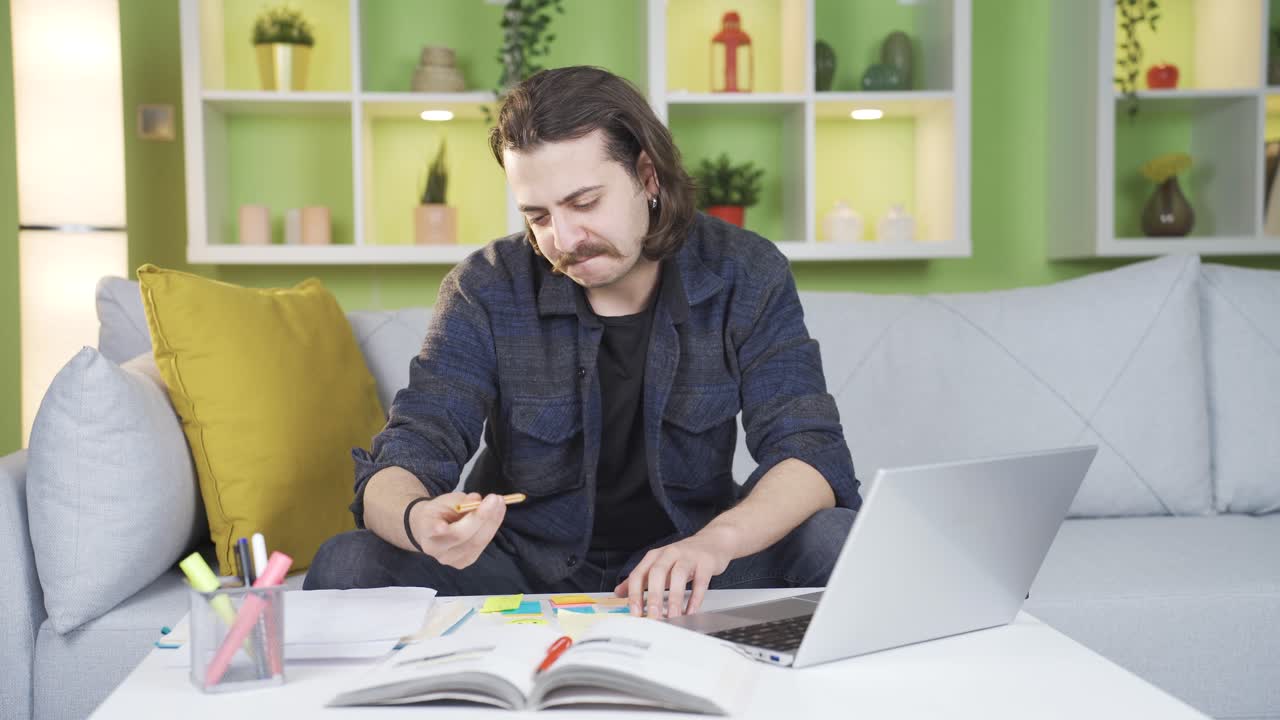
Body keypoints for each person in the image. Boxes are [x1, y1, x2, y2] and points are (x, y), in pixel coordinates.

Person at [305, 66, 861, 619]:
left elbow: (808, 450)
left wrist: (715, 543)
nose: (563, 239)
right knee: (348, 564)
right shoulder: (485, 287)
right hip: (518, 564)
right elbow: (411, 448)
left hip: (692, 562)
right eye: (538, 216)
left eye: (585, 203)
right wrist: (416, 521)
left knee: (838, 540)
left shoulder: (745, 270)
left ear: (648, 175)